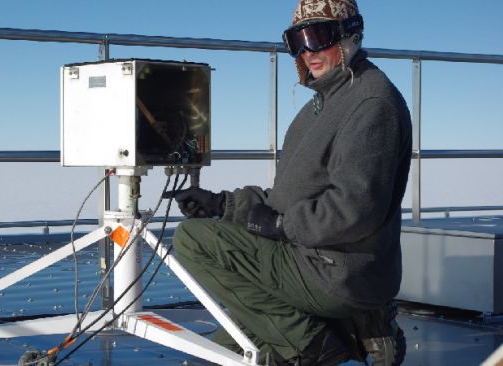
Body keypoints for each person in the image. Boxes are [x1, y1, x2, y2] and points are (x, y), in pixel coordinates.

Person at [168, 0, 412, 365]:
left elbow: (355, 208)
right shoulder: (323, 102)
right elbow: (291, 195)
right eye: (296, 40)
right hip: (312, 256)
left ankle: (312, 344)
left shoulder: (371, 102)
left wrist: (283, 226)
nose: (307, 51)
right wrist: (222, 204)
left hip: (336, 269)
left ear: (350, 34)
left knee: (192, 240)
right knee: (222, 353)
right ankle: (350, 327)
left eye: (318, 36)